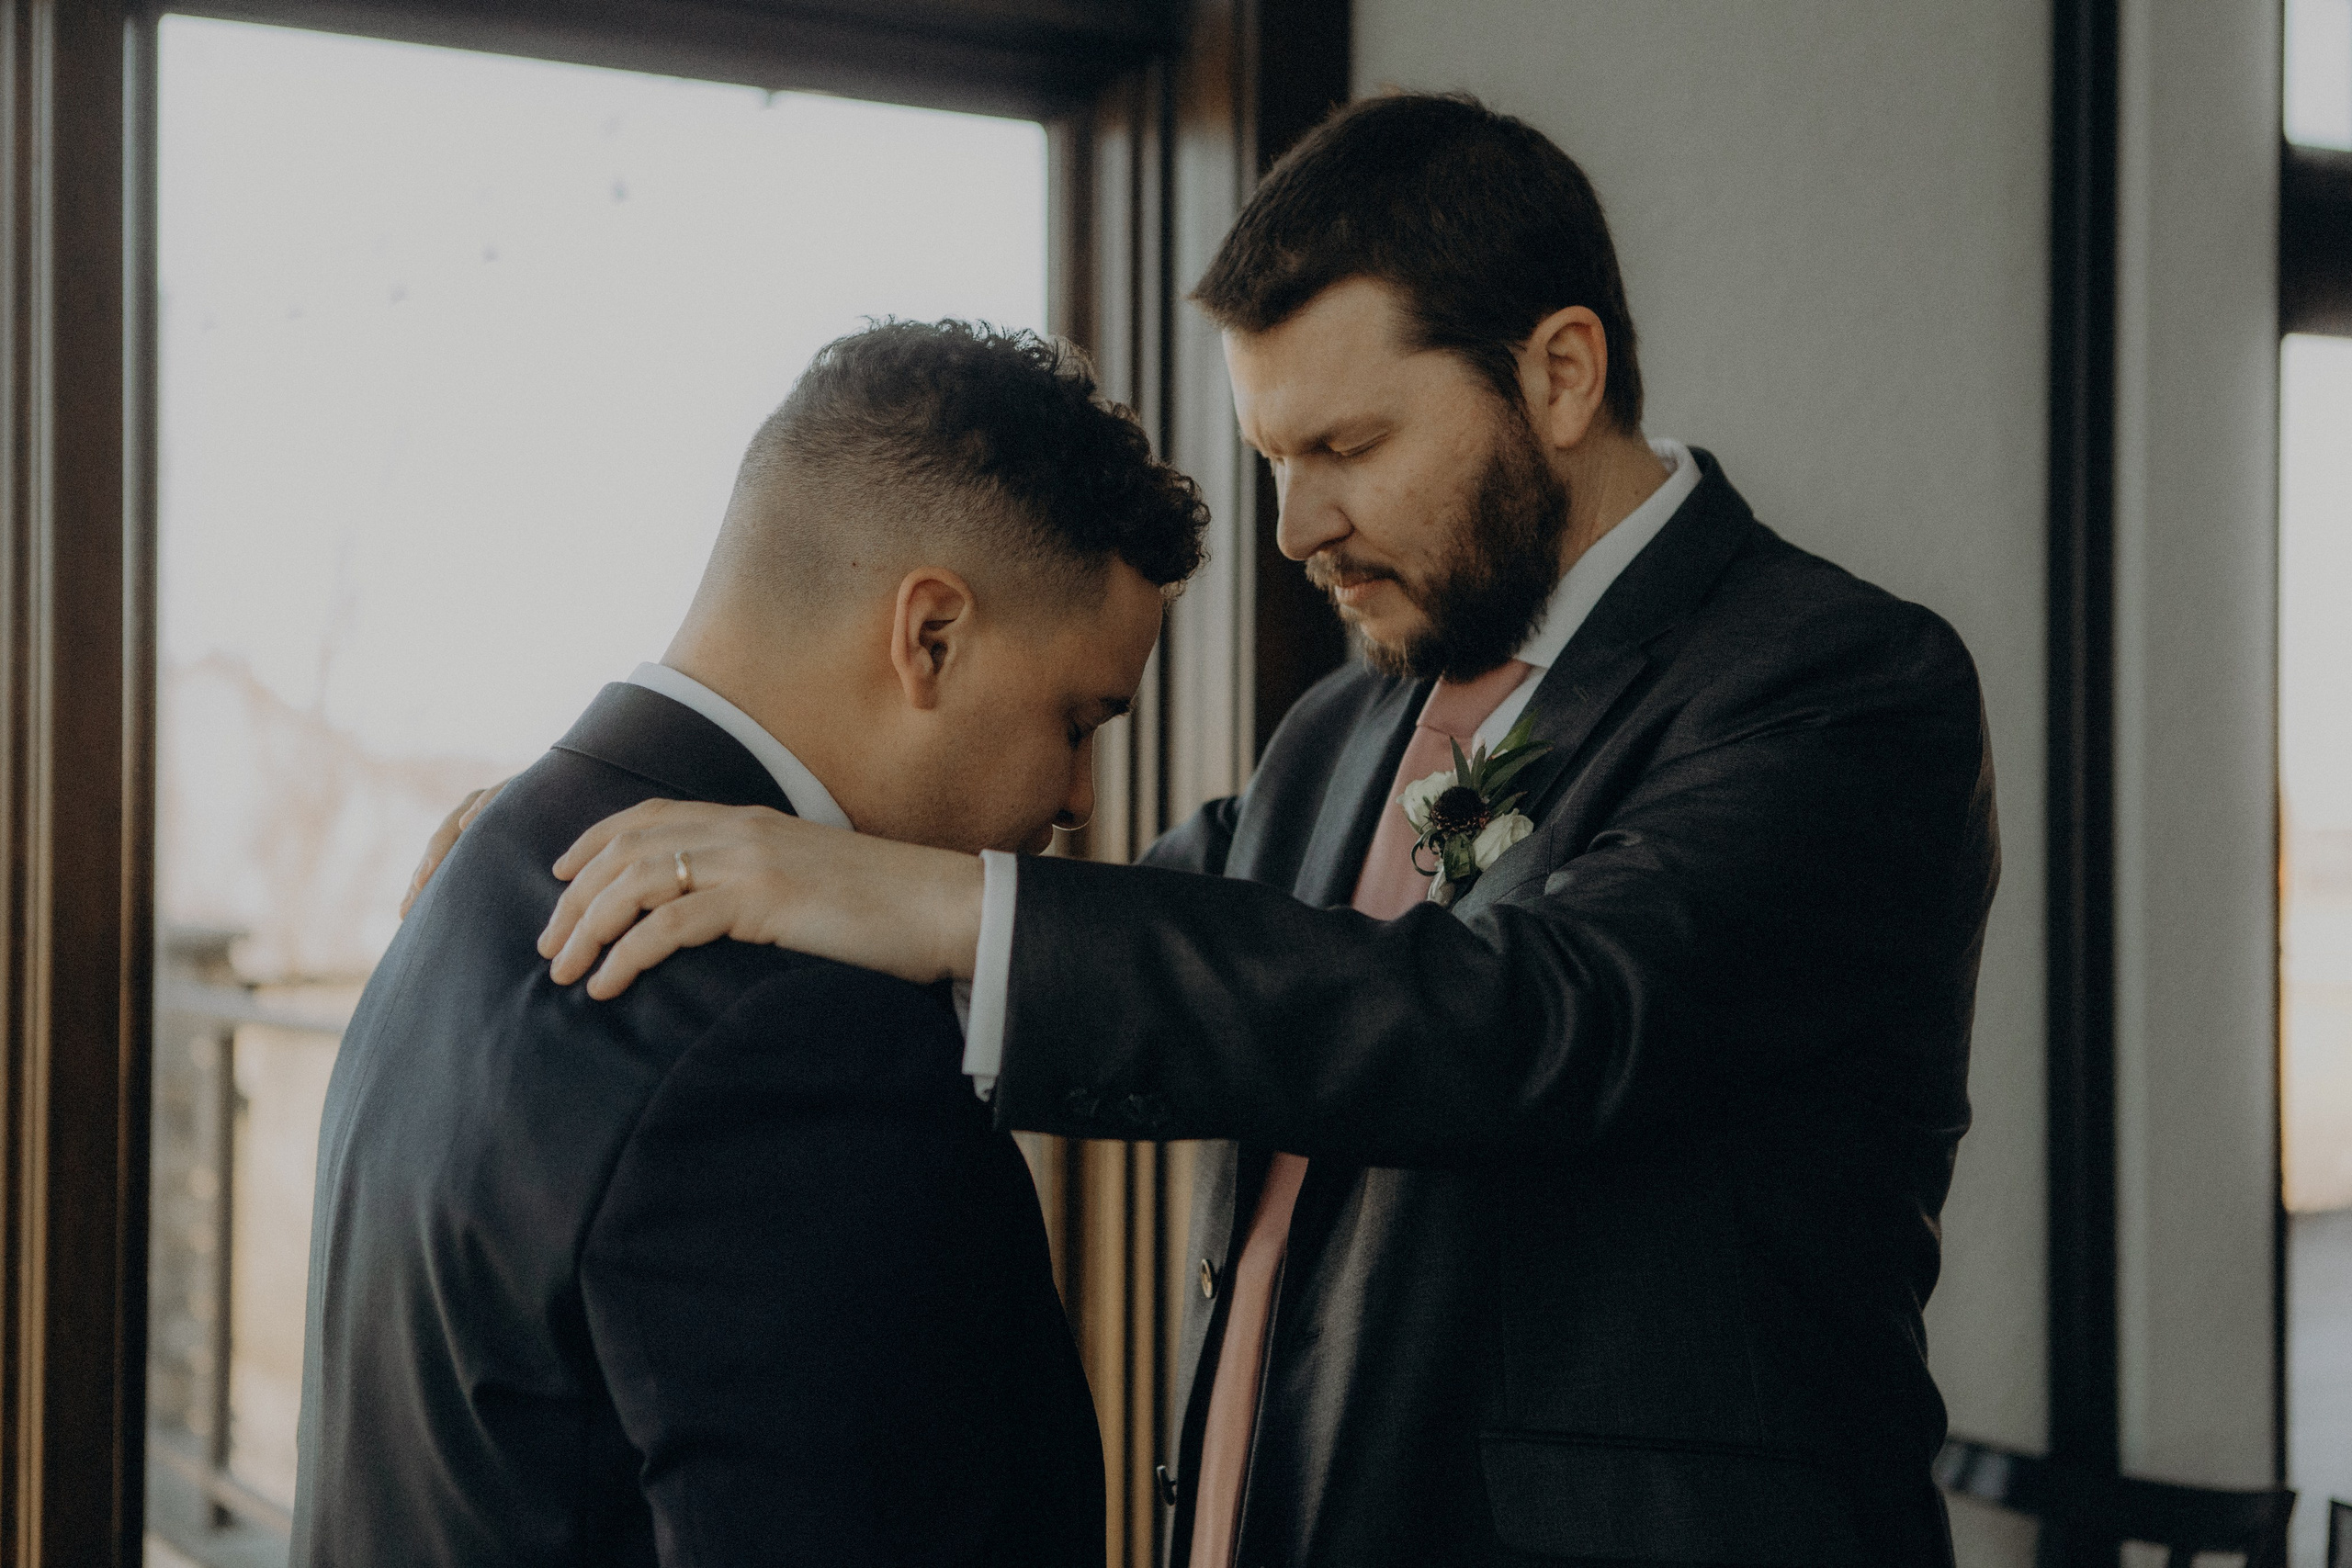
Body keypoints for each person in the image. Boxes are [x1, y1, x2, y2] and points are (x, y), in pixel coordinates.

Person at [426, 95, 1998, 1567]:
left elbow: (1546, 1018)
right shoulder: (1343, 729)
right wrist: (646, 829)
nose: (1297, 528)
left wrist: (918, 897)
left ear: (1561, 375)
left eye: (1349, 449)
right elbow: (1172, 961)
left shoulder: (1840, 688)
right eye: (1272, 462)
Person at [294, 320, 1210, 1566]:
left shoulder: (482, 868)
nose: (1079, 802)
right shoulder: (802, 1039)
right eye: (1078, 718)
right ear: (929, 636)